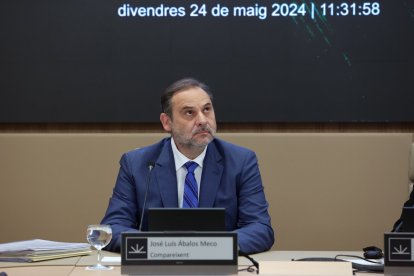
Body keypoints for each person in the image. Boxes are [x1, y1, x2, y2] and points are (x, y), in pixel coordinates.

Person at [101, 78, 275, 254]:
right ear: (166, 122)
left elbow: (260, 229)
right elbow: (112, 228)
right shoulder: (136, 164)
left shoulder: (241, 161)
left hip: (217, 268)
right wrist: (164, 250)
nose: (202, 120)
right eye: (189, 113)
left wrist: (208, 250)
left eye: (207, 109)